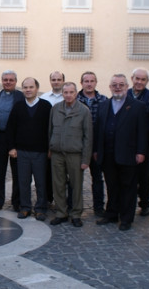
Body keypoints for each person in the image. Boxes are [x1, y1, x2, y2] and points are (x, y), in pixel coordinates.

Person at [94, 74, 148, 231]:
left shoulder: (137, 106)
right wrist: (97, 150)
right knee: (112, 186)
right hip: (108, 154)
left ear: (127, 87)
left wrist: (141, 152)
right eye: (114, 85)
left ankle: (126, 218)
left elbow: (142, 132)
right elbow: (98, 130)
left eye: (121, 85)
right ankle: (111, 214)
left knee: (128, 187)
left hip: (128, 154)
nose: (118, 87)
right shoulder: (104, 105)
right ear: (110, 87)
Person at [7, 77, 52, 220]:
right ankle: (25, 207)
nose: (28, 90)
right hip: (22, 152)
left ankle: (41, 208)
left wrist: (50, 148)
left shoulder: (46, 106)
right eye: (25, 87)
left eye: (31, 87)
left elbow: (51, 129)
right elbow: (11, 128)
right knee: (23, 182)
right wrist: (12, 147)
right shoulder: (18, 106)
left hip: (41, 152)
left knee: (41, 182)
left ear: (36, 89)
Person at [48, 82, 92, 227]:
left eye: (71, 92)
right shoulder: (55, 109)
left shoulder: (84, 111)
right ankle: (61, 212)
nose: (68, 95)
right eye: (65, 92)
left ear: (76, 93)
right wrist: (50, 148)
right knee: (58, 184)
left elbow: (88, 137)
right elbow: (50, 130)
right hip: (57, 154)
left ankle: (76, 214)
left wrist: (86, 159)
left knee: (76, 185)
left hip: (75, 154)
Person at [0, 70, 24, 212]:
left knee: (17, 172)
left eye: (11, 80)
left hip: (16, 139)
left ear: (15, 81)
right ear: (1, 81)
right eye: (5, 80)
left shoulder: (21, 97)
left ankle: (17, 202)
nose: (8, 82)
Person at [76, 71, 108, 217]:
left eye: (92, 81)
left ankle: (99, 207)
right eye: (86, 81)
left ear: (96, 83)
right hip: (78, 146)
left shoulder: (104, 101)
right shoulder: (74, 99)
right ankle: (74, 206)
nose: (89, 84)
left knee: (97, 178)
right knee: (75, 180)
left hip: (96, 146)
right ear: (81, 83)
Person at [128, 68, 149, 217]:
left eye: (143, 79)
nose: (139, 82)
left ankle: (144, 203)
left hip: (144, 142)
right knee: (128, 173)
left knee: (144, 175)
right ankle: (128, 202)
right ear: (132, 78)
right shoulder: (124, 94)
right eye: (137, 78)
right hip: (126, 142)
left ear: (147, 81)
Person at [40, 70, 65, 206]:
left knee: (62, 174)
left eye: (58, 79)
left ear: (63, 81)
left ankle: (63, 201)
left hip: (64, 141)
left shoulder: (68, 96)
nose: (56, 82)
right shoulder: (44, 98)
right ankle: (48, 198)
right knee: (47, 172)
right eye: (53, 79)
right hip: (48, 139)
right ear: (50, 81)